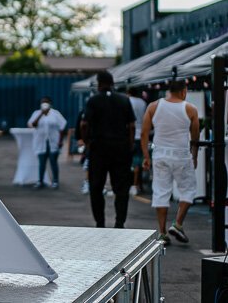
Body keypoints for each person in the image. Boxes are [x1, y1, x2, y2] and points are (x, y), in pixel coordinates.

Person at [140, 80, 199, 245]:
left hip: (160, 154)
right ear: (183, 91)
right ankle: (178, 224)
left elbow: (144, 134)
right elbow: (195, 138)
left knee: (161, 192)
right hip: (181, 154)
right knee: (188, 189)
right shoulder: (190, 109)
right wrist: (194, 156)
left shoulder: (153, 106)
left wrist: (146, 156)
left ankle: (162, 232)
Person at [80, 71, 136, 228]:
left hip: (99, 148)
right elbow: (131, 125)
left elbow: (84, 124)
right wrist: (130, 144)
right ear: (112, 83)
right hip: (120, 148)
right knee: (121, 188)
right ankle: (119, 222)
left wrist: (87, 143)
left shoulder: (93, 101)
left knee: (96, 187)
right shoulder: (124, 100)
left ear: (99, 83)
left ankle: (100, 222)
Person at [28, 97, 66, 189]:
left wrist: (60, 141)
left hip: (53, 142)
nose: (44, 103)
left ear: (50, 103)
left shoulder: (55, 114)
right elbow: (32, 125)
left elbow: (62, 127)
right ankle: (40, 181)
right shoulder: (36, 113)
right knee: (42, 163)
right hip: (41, 143)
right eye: (43, 102)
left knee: (53, 162)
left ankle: (55, 181)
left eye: (46, 102)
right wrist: (41, 114)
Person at [127, 87, 147, 195]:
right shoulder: (143, 103)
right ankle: (137, 185)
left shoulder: (127, 101)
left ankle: (131, 185)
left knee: (129, 161)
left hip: (130, 135)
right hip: (141, 135)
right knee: (138, 162)